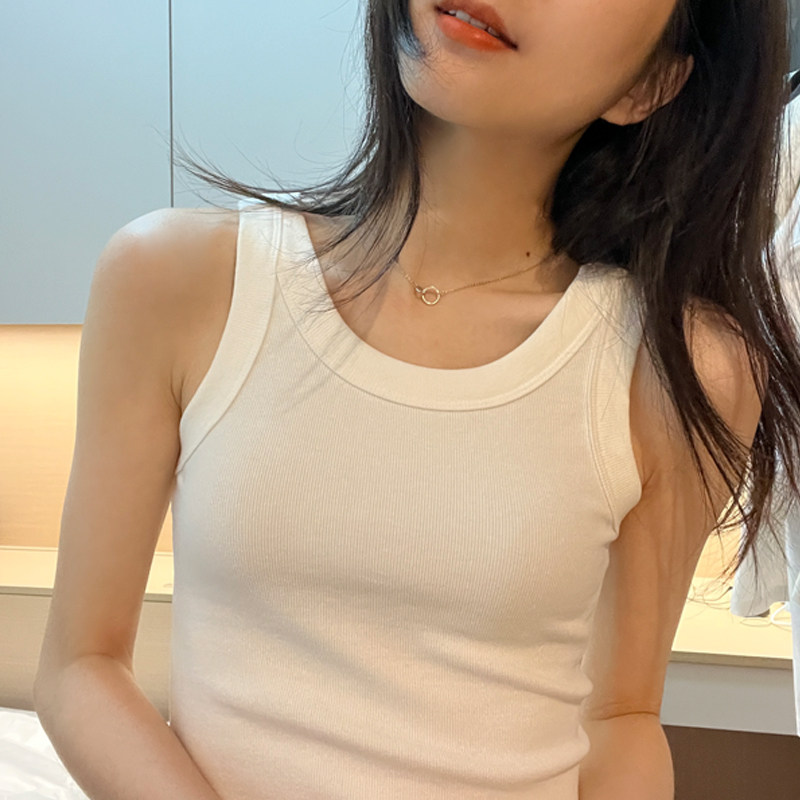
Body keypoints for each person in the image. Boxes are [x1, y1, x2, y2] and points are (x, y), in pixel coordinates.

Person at [30, 1, 800, 799]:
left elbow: (622, 718)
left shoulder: (681, 367)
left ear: (649, 84)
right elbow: (82, 665)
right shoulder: (177, 279)